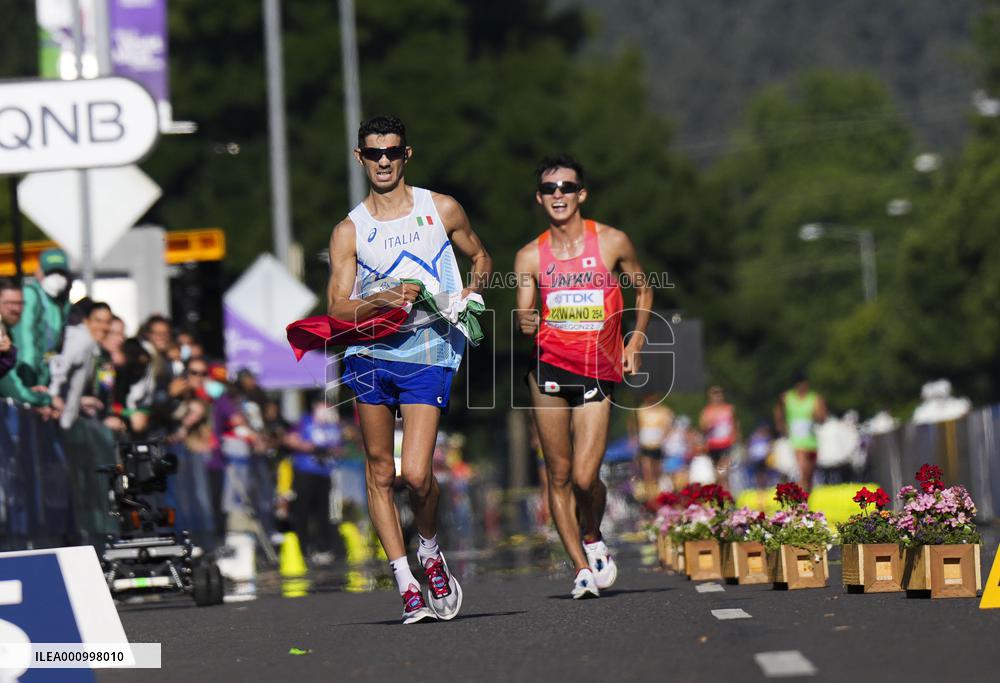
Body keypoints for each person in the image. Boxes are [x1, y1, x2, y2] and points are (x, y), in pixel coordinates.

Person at [327, 115, 491, 623]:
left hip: (428, 348)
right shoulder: (350, 230)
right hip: (369, 354)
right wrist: (383, 300)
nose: (383, 161)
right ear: (360, 158)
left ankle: (430, 551)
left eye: (392, 152)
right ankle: (405, 583)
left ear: (406, 155)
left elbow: (481, 257)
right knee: (381, 471)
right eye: (374, 153)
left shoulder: (440, 208)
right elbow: (337, 308)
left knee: (417, 474)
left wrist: (473, 292)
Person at [514, 154, 652, 599]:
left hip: (597, 368)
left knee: (584, 477)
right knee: (557, 474)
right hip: (548, 367)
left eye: (567, 187)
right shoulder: (529, 255)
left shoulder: (611, 242)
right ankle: (579, 568)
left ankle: (592, 533)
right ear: (540, 198)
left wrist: (634, 342)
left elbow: (643, 287)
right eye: (550, 189)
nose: (559, 195)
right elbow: (524, 312)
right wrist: (524, 320)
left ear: (581, 194)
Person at [48, 300, 112, 429]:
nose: (103, 327)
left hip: (65, 421)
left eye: (108, 322)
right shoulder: (81, 339)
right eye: (98, 321)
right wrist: (51, 399)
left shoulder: (96, 348)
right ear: (86, 320)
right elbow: (59, 368)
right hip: (54, 419)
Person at [774, 374, 827, 493]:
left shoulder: (814, 398)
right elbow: (778, 410)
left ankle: (806, 498)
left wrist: (816, 415)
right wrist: (780, 426)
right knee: (803, 471)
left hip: (812, 441)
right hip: (796, 441)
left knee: (809, 475)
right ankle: (799, 498)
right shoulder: (787, 397)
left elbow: (822, 418)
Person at [636, 393, 674, 502]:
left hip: (657, 444)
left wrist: (664, 438)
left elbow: (668, 426)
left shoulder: (664, 411)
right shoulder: (641, 410)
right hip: (645, 444)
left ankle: (657, 492)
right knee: (647, 468)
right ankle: (649, 494)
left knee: (657, 470)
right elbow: (635, 424)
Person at [698, 385, 738, 489]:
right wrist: (709, 425)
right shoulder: (707, 411)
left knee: (723, 472)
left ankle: (726, 494)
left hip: (726, 445)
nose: (717, 396)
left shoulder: (729, 409)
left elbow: (735, 425)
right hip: (713, 446)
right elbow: (702, 428)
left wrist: (735, 439)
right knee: (717, 474)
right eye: (714, 393)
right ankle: (721, 493)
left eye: (719, 393)